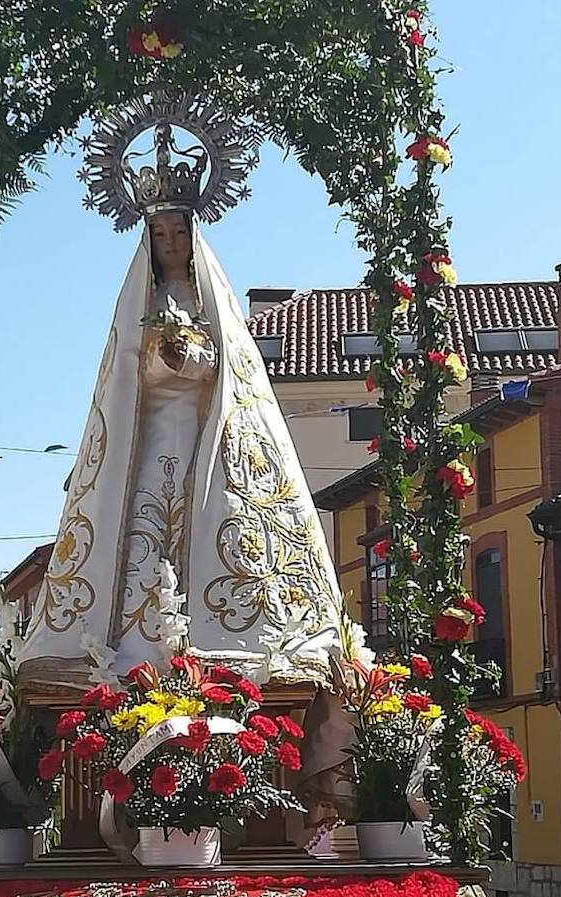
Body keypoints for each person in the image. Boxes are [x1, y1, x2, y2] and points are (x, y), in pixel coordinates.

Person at [17, 123, 342, 690]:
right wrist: (156, 359)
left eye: (177, 231)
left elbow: (230, 373)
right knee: (137, 532)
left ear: (193, 235)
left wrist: (190, 357)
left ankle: (230, 646)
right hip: (147, 442)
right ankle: (125, 653)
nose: (169, 241)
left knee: (221, 526)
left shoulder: (212, 303)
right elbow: (121, 379)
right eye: (159, 231)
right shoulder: (135, 305)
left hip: (206, 435)